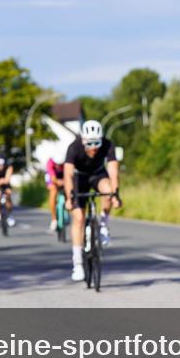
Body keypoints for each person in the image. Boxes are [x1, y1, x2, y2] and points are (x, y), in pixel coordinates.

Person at [63, 120, 121, 282]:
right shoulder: (74, 147)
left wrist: (115, 194)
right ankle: (78, 264)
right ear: (83, 140)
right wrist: (69, 198)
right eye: (90, 143)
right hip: (79, 178)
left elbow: (113, 171)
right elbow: (67, 175)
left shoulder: (108, 145)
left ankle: (103, 223)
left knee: (108, 191)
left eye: (97, 143)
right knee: (79, 218)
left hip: (97, 174)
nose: (94, 148)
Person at [45, 152, 66, 233]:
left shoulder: (65, 163)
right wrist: (58, 182)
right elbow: (53, 179)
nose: (58, 166)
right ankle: (54, 219)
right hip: (52, 177)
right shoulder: (50, 163)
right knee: (53, 191)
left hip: (63, 175)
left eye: (60, 164)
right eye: (57, 164)